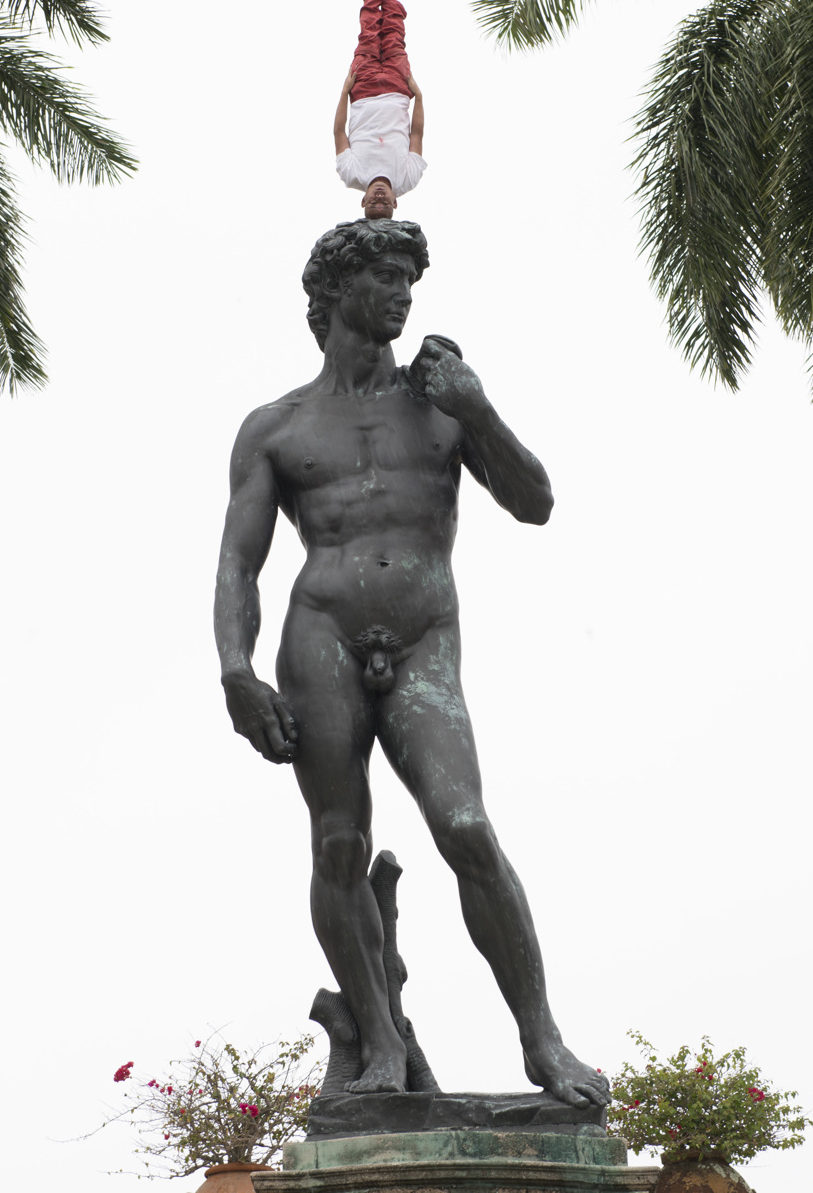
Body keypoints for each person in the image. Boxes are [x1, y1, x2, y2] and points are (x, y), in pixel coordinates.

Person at [213, 219, 608, 1107]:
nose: (402, 295)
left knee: (464, 824)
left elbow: (536, 501)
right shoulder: (277, 428)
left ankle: (542, 1039)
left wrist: (477, 409)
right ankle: (380, 1041)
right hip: (322, 635)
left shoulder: (441, 401)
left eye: (408, 281)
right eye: (385, 278)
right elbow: (239, 563)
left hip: (425, 632)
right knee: (339, 842)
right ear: (335, 293)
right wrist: (236, 669)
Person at [334, 0, 425, 220]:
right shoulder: (408, 178)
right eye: (384, 204)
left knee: (369, 34)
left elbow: (339, 132)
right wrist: (418, 96)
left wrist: (344, 92)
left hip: (362, 93)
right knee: (395, 37)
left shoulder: (352, 175)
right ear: (395, 203)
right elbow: (417, 135)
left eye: (373, 203)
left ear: (364, 199)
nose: (380, 198)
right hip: (399, 91)